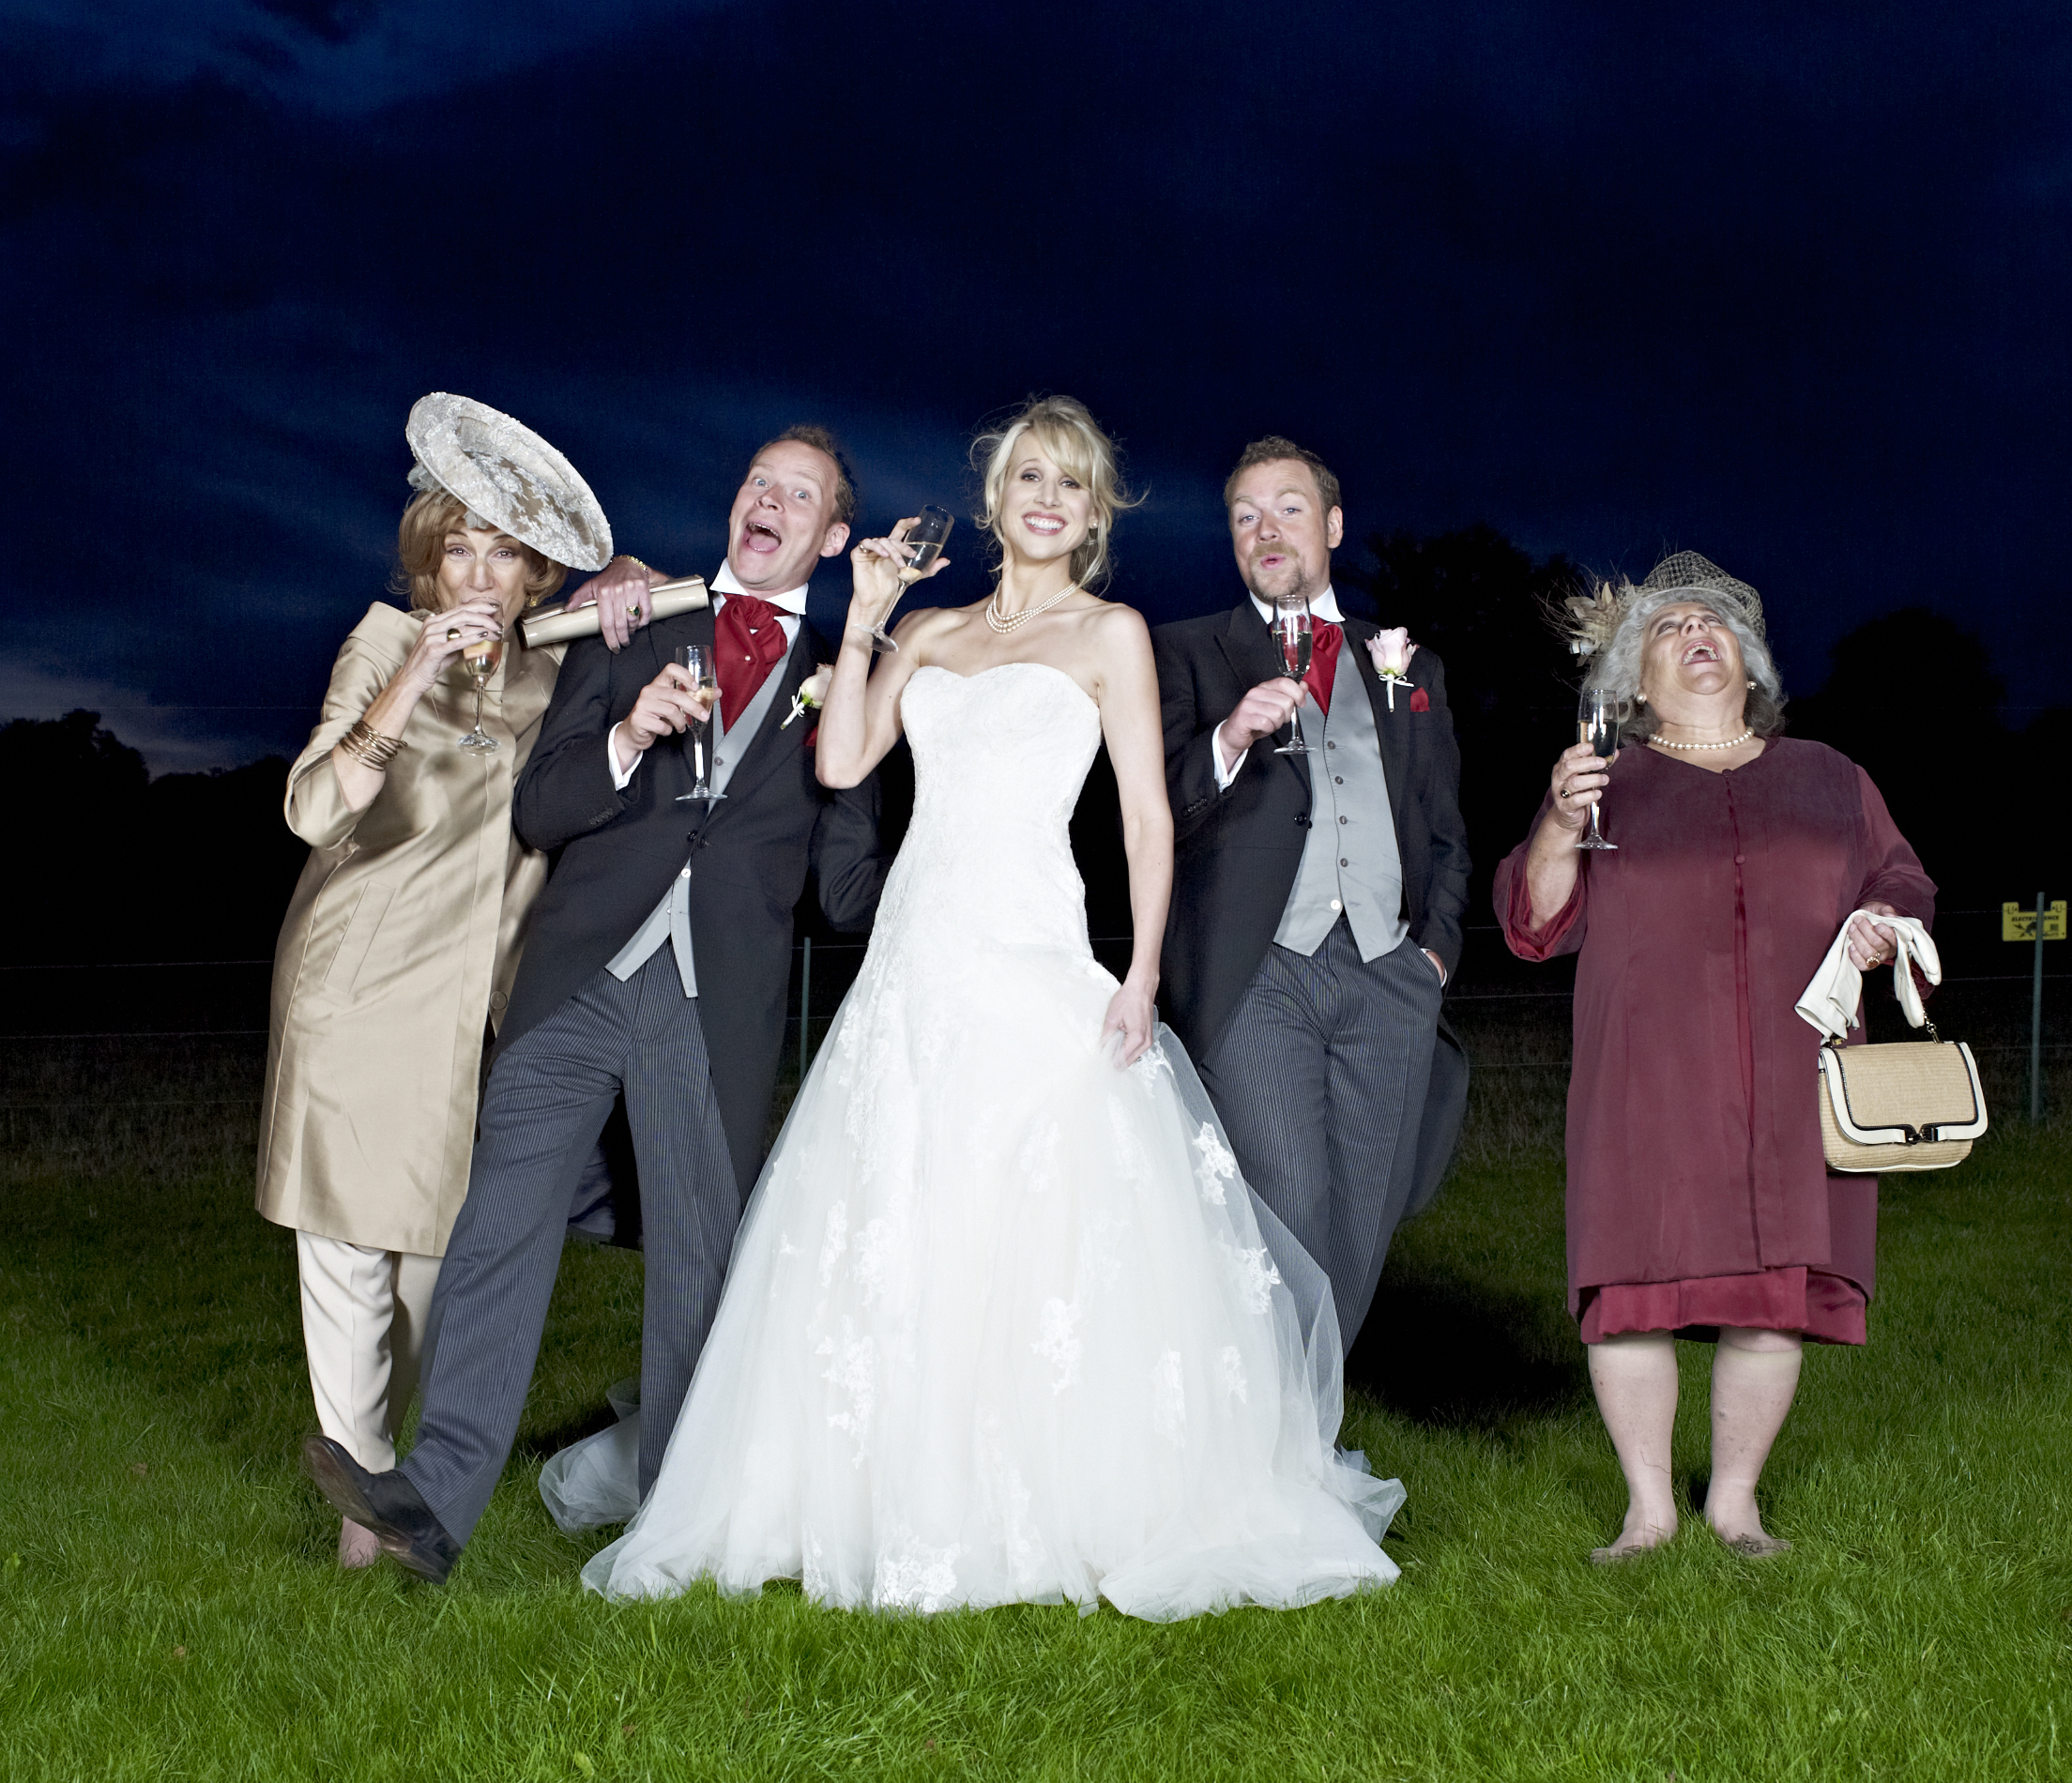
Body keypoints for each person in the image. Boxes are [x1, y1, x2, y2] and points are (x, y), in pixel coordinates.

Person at [546, 395, 1403, 1619]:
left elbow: (1146, 821)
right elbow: (842, 760)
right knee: (898, 1208)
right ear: (994, 499)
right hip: (915, 957)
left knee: (1031, 1216)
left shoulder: (1111, 634)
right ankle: (878, 1487)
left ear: (1091, 511)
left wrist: (1143, 973)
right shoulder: (934, 631)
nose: (1043, 498)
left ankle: (1042, 1487)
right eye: (1023, 478)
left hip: (1032, 947)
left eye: (1067, 483)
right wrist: (873, 621)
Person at [301, 426, 886, 1582]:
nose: (765, 500)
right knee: (496, 1225)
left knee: (696, 1272)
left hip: (716, 1004)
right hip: (580, 973)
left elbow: (842, 888)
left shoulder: (847, 672)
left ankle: (679, 1516)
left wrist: (880, 749)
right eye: (754, 478)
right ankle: (431, 1502)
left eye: (798, 494)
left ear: (832, 535)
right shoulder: (633, 621)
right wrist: (626, 736)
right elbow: (541, 805)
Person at [1491, 552, 1937, 1562]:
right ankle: (1648, 1512)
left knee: (1773, 1284)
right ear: (1630, 683)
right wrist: (1559, 820)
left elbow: (1903, 875)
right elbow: (1532, 921)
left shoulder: (1830, 776)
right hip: (1646, 1077)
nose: (1698, 632)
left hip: (1793, 1073)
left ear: (1751, 662)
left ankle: (1734, 1504)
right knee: (1632, 1283)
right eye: (1667, 626)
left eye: (1716, 622)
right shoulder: (1604, 781)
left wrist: (1880, 917)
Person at [257, 394, 615, 1567]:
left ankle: (389, 1473)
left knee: (429, 1262)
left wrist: (629, 576)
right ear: (430, 556)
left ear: (532, 577)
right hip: (357, 990)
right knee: (350, 1260)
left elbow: (645, 611)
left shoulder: (549, 676)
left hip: (470, 1010)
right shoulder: (380, 637)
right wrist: (410, 677)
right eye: (456, 546)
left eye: (502, 553)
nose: (475, 572)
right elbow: (313, 804)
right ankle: (369, 1521)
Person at [1150, 437, 1470, 1354]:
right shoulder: (1184, 650)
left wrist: (1435, 948)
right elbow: (1149, 812)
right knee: (1286, 1203)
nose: (1265, 529)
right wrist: (1225, 737)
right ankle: (1275, 1445)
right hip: (1260, 970)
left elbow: (1443, 822)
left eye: (1287, 507)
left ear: (1331, 524)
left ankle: (1301, 1444)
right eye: (1244, 515)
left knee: (1360, 1226)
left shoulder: (1405, 659)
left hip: (1388, 971)